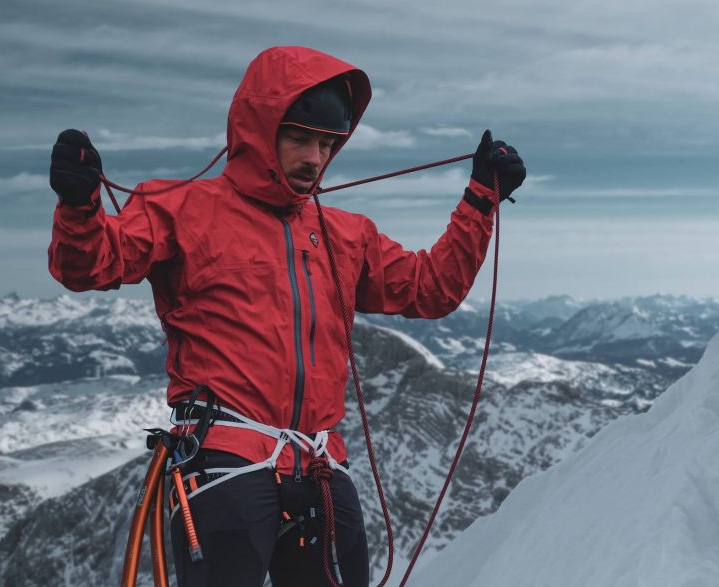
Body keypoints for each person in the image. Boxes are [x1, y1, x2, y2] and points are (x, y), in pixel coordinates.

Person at [48, 46, 525, 587]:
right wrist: (80, 208)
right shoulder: (180, 207)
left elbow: (429, 289)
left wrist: (479, 202)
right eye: (300, 138)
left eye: (326, 144)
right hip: (224, 456)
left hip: (318, 459)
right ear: (258, 129)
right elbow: (89, 265)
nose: (314, 158)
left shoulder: (348, 234)